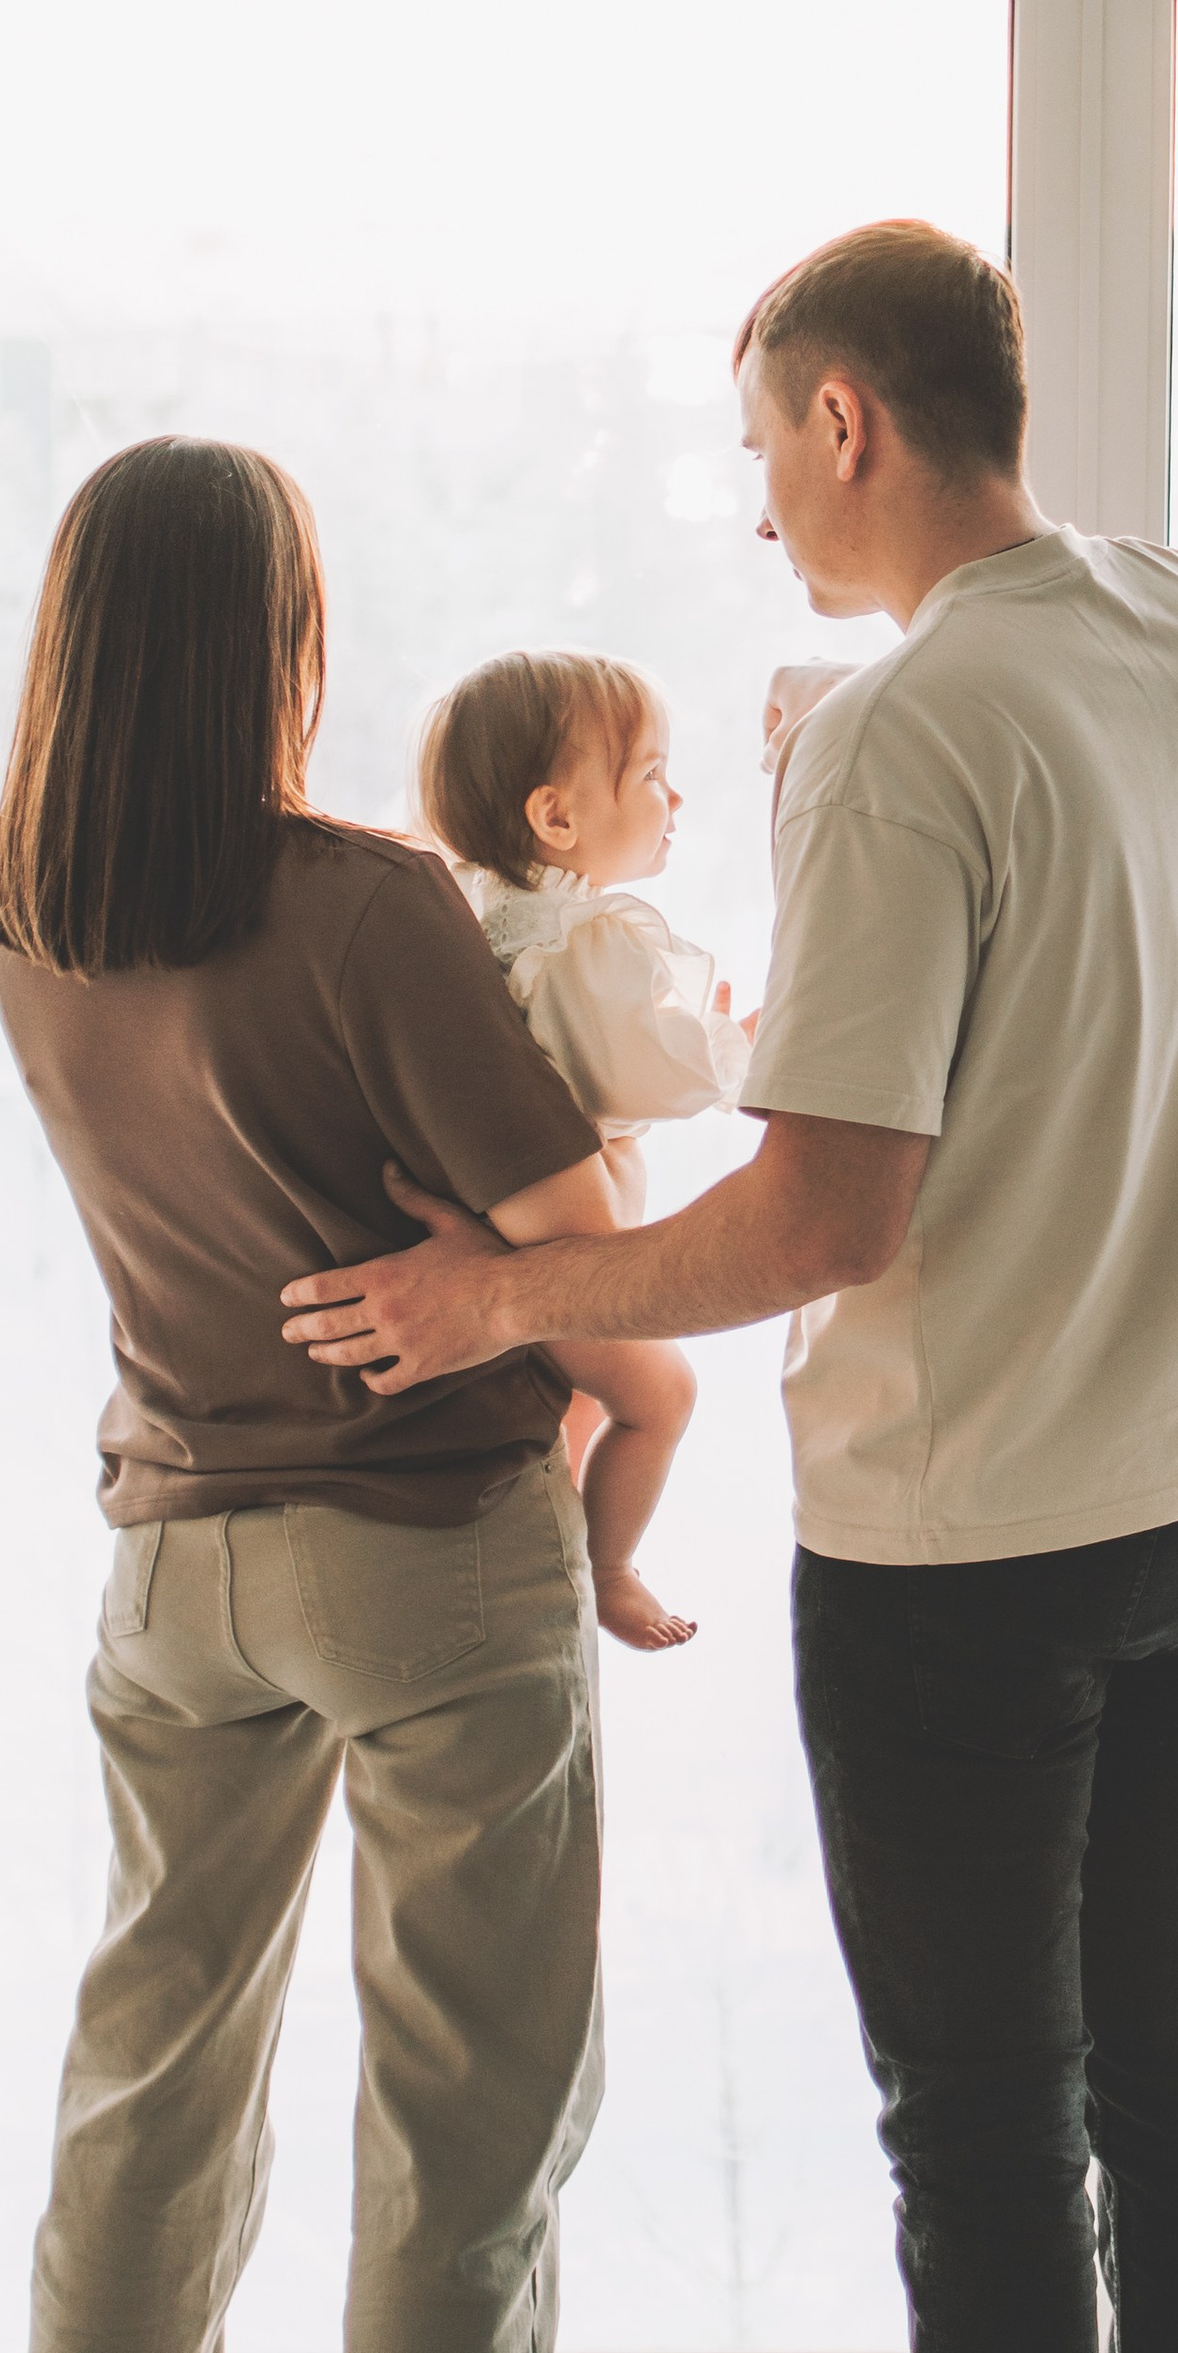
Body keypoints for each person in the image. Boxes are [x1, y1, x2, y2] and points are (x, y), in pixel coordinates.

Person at [279, 220, 1178, 2353]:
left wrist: (499, 1287)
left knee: (985, 2140)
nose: (755, 506)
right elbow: (1070, 947)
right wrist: (836, 780)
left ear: (851, 423)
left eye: (764, 446)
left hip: (984, 1547)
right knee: (1174, 2076)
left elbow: (820, 1216)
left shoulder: (893, 739)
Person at [0, 433, 642, 2353]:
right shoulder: (368, 905)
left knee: (148, 2100)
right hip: (425, 1557)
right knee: (462, 2125)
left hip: (171, 1559)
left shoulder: (19, 902)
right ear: (284, 633)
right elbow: (566, 1235)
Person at [416, 646, 751, 1651]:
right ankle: (608, 1567)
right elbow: (648, 1072)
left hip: (496, 1229)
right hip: (552, 1251)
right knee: (660, 1391)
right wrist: (738, 1042)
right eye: (649, 774)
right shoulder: (576, 940)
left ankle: (564, 1543)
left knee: (567, 1406)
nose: (674, 794)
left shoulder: (465, 915)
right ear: (556, 817)